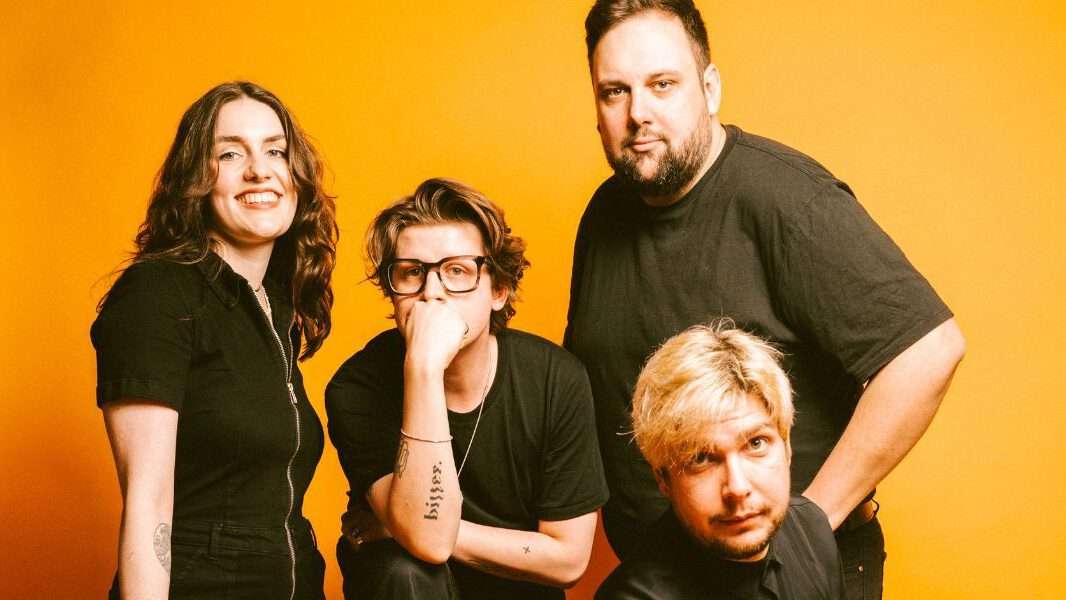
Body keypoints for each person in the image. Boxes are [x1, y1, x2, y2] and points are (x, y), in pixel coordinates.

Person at [565, 1, 966, 596]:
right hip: (665, 577)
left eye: (662, 84)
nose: (638, 113)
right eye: (615, 91)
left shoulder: (785, 199)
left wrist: (807, 531)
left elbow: (929, 349)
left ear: (710, 88)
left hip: (786, 575)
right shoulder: (604, 215)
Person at [91, 81, 337, 599]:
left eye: (276, 151)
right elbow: (148, 504)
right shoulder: (158, 294)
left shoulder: (276, 305)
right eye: (230, 154)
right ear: (195, 180)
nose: (259, 170)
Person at [326, 178, 608, 599]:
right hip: (409, 590)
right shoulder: (357, 387)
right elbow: (426, 547)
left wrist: (404, 527)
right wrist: (423, 369)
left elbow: (567, 560)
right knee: (403, 569)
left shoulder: (556, 379)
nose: (431, 293)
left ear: (499, 290)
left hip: (517, 594)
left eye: (457, 271)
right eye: (412, 273)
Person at [597, 323, 843, 599]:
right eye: (700, 458)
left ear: (786, 447)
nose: (737, 487)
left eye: (756, 443)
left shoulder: (812, 528)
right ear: (663, 479)